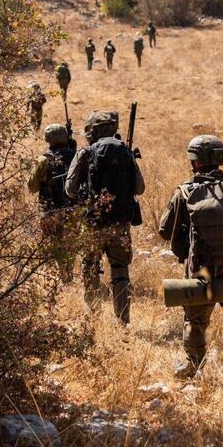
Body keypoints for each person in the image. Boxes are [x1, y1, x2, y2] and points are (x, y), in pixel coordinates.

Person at [158, 135, 223, 401]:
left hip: (200, 277)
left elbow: (164, 230)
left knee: (195, 320)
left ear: (195, 161)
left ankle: (193, 367)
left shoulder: (184, 191)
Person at [65, 111, 145, 324]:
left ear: (91, 130)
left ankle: (92, 318)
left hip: (92, 223)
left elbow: (69, 189)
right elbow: (140, 187)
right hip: (121, 226)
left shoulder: (86, 152)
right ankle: (123, 322)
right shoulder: (125, 152)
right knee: (120, 271)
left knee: (90, 267)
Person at [27, 124, 79, 282]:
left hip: (49, 210)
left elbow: (32, 187)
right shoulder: (76, 157)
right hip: (72, 209)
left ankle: (62, 276)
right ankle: (67, 273)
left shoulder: (43, 160)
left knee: (54, 244)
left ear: (48, 139)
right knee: (70, 244)